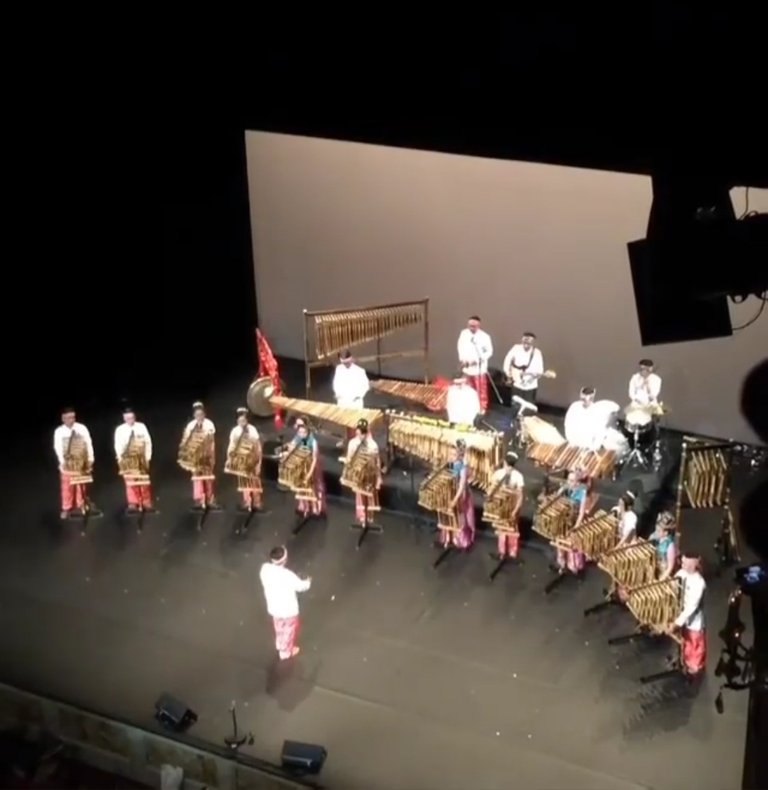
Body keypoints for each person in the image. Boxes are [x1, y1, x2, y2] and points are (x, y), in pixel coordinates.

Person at [259, 546, 312, 660]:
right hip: (288, 610)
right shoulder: (287, 575)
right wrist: (308, 582)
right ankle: (286, 651)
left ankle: (279, 643)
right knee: (289, 630)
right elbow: (301, 587)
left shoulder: (265, 569)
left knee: (279, 626)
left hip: (274, 607)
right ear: (284, 560)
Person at [53, 407, 98, 520]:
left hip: (81, 461)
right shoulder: (59, 432)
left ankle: (80, 504)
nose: (71, 420)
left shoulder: (81, 428)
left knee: (81, 485)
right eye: (68, 418)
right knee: (67, 486)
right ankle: (67, 508)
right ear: (63, 418)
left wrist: (90, 458)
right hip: (67, 463)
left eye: (73, 417)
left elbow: (88, 443)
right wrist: (62, 462)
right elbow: (58, 447)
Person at [670, 553, 707, 676]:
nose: (683, 565)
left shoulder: (699, 583)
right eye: (683, 562)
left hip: (693, 619)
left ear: (694, 564)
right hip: (681, 614)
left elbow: (692, 606)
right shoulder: (681, 573)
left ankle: (695, 668)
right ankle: (683, 660)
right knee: (684, 639)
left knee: (694, 643)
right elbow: (672, 585)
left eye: (686, 563)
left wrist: (677, 622)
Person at [179, 401, 220, 510]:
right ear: (194, 415)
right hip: (195, 457)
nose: (199, 417)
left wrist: (210, 455)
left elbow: (211, 441)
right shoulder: (190, 426)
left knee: (208, 477)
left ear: (204, 414)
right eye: (197, 415)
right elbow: (185, 441)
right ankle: (199, 499)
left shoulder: (209, 424)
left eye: (201, 414)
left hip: (206, 455)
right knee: (197, 478)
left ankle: (210, 499)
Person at [114, 407, 154, 513]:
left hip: (141, 458)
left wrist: (147, 457)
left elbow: (148, 442)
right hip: (127, 459)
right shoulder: (120, 430)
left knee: (143, 480)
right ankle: (133, 502)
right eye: (127, 418)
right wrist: (120, 459)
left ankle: (146, 502)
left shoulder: (141, 427)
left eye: (131, 418)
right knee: (130, 481)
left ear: (134, 417)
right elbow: (118, 445)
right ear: (124, 418)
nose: (130, 420)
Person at [437, 439, 476, 550]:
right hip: (450, 491)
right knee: (448, 514)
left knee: (459, 516)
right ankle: (447, 538)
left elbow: (462, 486)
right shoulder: (450, 464)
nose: (451, 456)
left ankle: (460, 540)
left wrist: (455, 499)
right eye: (450, 453)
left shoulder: (463, 467)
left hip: (460, 495)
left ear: (459, 455)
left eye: (454, 454)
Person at [553, 470, 592, 575]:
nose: (568, 482)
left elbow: (581, 513)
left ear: (577, 482)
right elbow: (556, 499)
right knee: (560, 542)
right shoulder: (565, 489)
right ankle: (561, 564)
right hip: (564, 520)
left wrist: (576, 526)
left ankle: (574, 566)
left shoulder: (582, 493)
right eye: (568, 480)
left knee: (573, 545)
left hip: (575, 521)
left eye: (571, 480)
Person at [344, 418, 382, 526]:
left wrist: (379, 478)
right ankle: (362, 516)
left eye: (360, 434)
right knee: (360, 495)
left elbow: (377, 462)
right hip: (358, 474)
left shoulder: (372, 445)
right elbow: (349, 458)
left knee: (370, 494)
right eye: (357, 433)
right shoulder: (352, 443)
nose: (358, 435)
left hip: (369, 475)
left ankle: (369, 515)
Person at [489, 451, 524, 559]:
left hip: (512, 506)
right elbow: (492, 488)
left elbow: (520, 495)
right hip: (500, 506)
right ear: (504, 463)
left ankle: (512, 552)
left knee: (512, 528)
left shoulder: (518, 476)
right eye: (507, 465)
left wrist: (515, 510)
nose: (508, 468)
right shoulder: (498, 474)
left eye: (510, 466)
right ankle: (501, 552)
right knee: (501, 529)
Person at [287, 422, 326, 518]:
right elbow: (291, 448)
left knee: (312, 489)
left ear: (308, 432)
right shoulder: (297, 439)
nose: (301, 435)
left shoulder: (313, 442)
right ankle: (304, 507)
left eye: (304, 432)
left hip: (310, 467)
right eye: (300, 432)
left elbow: (314, 459)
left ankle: (315, 509)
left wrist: (309, 473)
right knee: (300, 489)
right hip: (300, 467)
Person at [227, 407, 263, 511]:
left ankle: (257, 502)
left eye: (244, 420)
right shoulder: (235, 431)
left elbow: (258, 447)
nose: (242, 422)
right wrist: (229, 458)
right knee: (244, 481)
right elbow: (231, 446)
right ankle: (247, 501)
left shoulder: (252, 430)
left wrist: (259, 463)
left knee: (254, 480)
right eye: (240, 420)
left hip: (252, 459)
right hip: (241, 460)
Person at [457, 315, 493, 414]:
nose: (471, 328)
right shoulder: (464, 333)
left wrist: (476, 360)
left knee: (480, 389)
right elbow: (460, 347)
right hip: (467, 366)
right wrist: (463, 360)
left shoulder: (485, 337)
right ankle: (468, 406)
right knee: (467, 388)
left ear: (479, 326)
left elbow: (489, 351)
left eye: (474, 326)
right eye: (470, 325)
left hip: (478, 368)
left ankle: (482, 407)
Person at [333, 350, 370, 446]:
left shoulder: (360, 371)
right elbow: (336, 383)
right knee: (345, 424)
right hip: (343, 401)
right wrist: (337, 393)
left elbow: (365, 386)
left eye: (347, 362)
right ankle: (346, 440)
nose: (345, 365)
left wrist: (358, 395)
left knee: (355, 424)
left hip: (354, 402)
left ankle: (357, 442)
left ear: (351, 359)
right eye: (344, 363)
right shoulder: (338, 369)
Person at [503, 332, 545, 415]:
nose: (526, 344)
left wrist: (531, 378)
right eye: (525, 341)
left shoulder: (537, 353)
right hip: (517, 383)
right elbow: (507, 360)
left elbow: (540, 370)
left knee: (528, 408)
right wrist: (508, 374)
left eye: (529, 342)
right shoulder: (516, 348)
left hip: (530, 385)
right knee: (515, 406)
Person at [650, 511, 679, 580]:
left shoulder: (670, 546)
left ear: (665, 533)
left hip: (664, 571)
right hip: (656, 566)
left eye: (659, 531)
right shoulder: (655, 537)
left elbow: (670, 567)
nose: (656, 532)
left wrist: (662, 579)